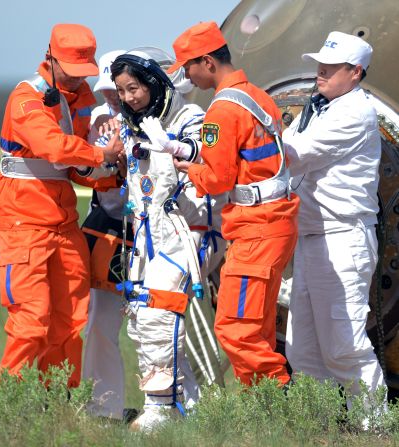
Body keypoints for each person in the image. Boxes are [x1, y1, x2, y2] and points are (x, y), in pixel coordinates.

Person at [0, 24, 124, 388]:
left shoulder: (81, 99)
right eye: (72, 70)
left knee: (71, 322)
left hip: (63, 223)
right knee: (31, 320)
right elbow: (52, 147)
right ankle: (7, 406)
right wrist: (101, 154)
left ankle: (59, 402)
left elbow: (76, 168)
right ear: (50, 58)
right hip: (24, 223)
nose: (80, 80)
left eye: (85, 72)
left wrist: (112, 174)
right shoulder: (26, 98)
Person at [169, 22, 300, 387]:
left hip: (255, 227)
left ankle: (276, 404)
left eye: (187, 67)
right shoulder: (257, 96)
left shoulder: (221, 111)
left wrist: (188, 168)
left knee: (235, 328)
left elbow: (217, 180)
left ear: (207, 62)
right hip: (275, 221)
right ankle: (265, 406)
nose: (186, 77)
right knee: (256, 326)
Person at [107, 47, 226, 431]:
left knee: (158, 311)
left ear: (155, 83)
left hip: (191, 232)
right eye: (122, 91)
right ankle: (187, 406)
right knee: (143, 318)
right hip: (149, 235)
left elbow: (202, 152)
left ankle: (160, 408)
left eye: (134, 88)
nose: (128, 98)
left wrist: (168, 144)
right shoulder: (129, 124)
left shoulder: (193, 117)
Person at [283, 32, 386, 405]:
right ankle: (321, 427)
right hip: (312, 238)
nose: (320, 72)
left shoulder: (354, 112)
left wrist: (249, 135)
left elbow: (293, 154)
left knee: (343, 347)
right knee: (303, 349)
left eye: (330, 67)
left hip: (343, 237)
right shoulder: (318, 107)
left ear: (355, 72)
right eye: (319, 65)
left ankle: (374, 426)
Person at [80, 49, 131, 421]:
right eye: (107, 91)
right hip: (109, 233)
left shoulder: (157, 119)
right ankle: (103, 408)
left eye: (119, 90)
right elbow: (93, 174)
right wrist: (110, 155)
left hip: (152, 234)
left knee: (156, 327)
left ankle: (177, 406)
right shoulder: (100, 121)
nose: (111, 99)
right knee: (99, 322)